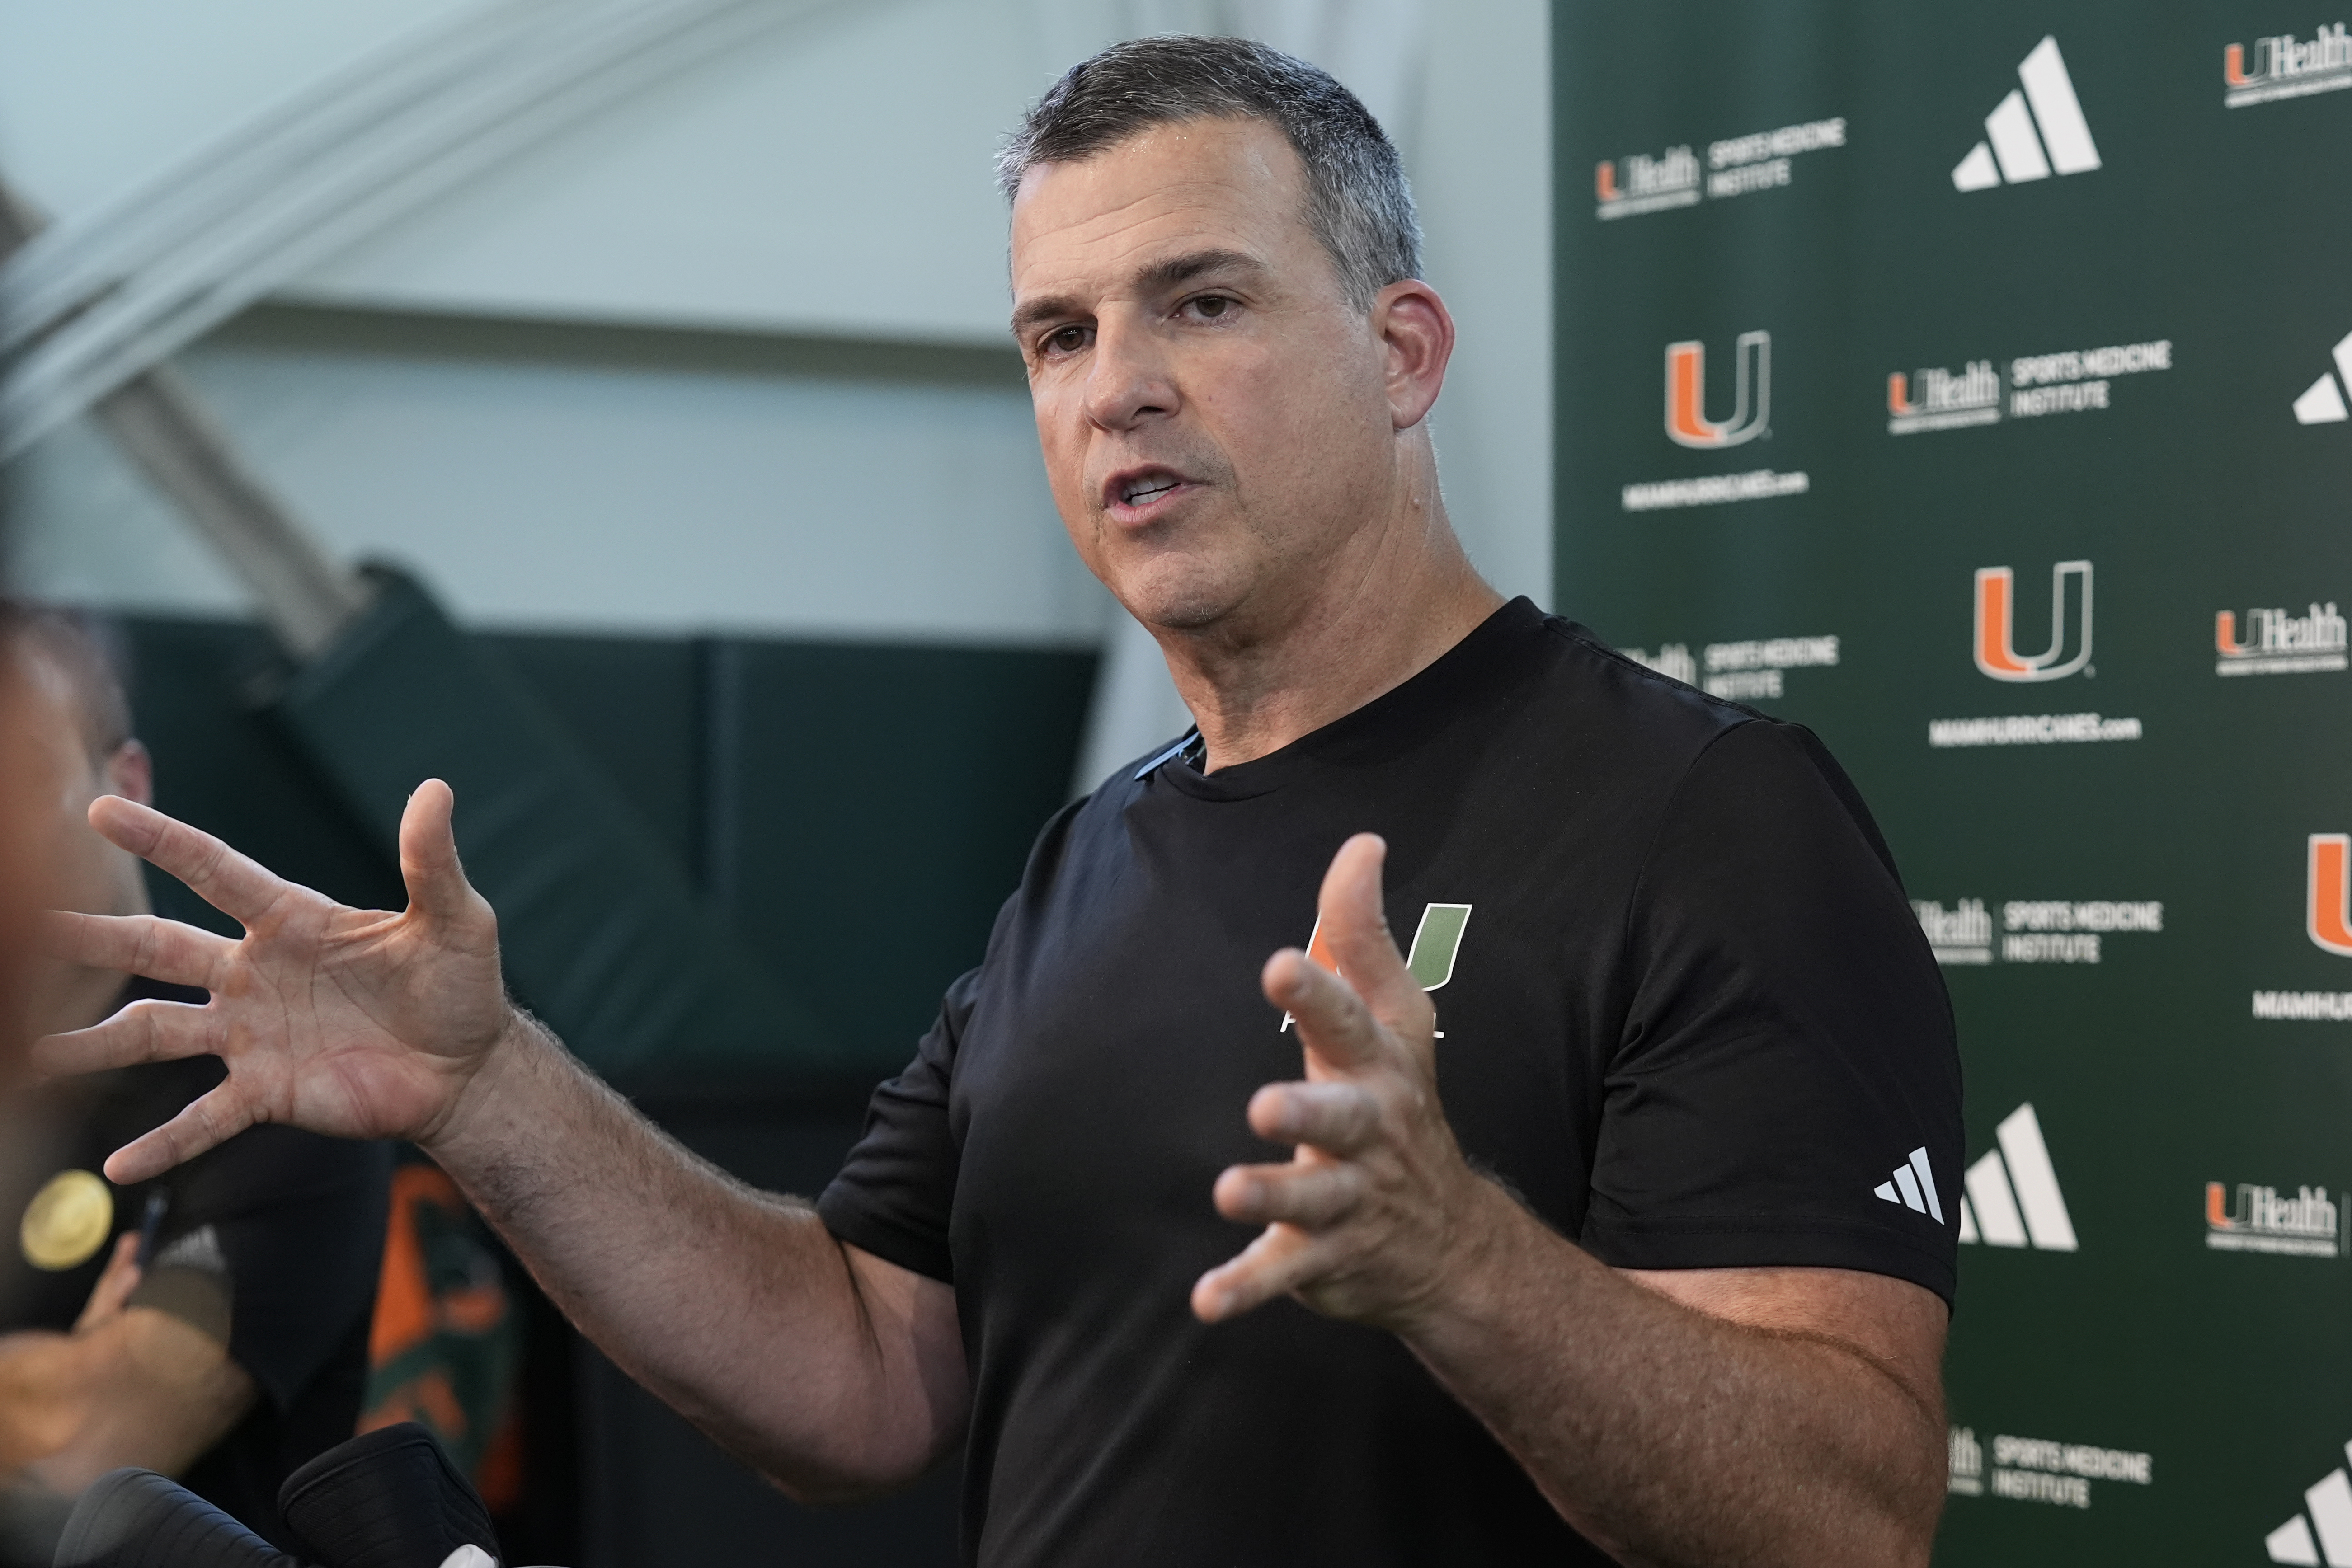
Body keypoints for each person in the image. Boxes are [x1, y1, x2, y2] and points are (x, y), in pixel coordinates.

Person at [39, 37, 1962, 1567]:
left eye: (1198, 303)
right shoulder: (1093, 857)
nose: (1114, 387)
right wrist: (491, 1087)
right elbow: (861, 1375)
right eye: (1060, 333)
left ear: (1401, 355)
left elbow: (1842, 1515)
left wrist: (1457, 1265)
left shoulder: (1702, 813)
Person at [0, 606, 390, 1561]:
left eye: (21, 783)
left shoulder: (275, 1079)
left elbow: (92, 1436)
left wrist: (70, 1395)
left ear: (126, 789)